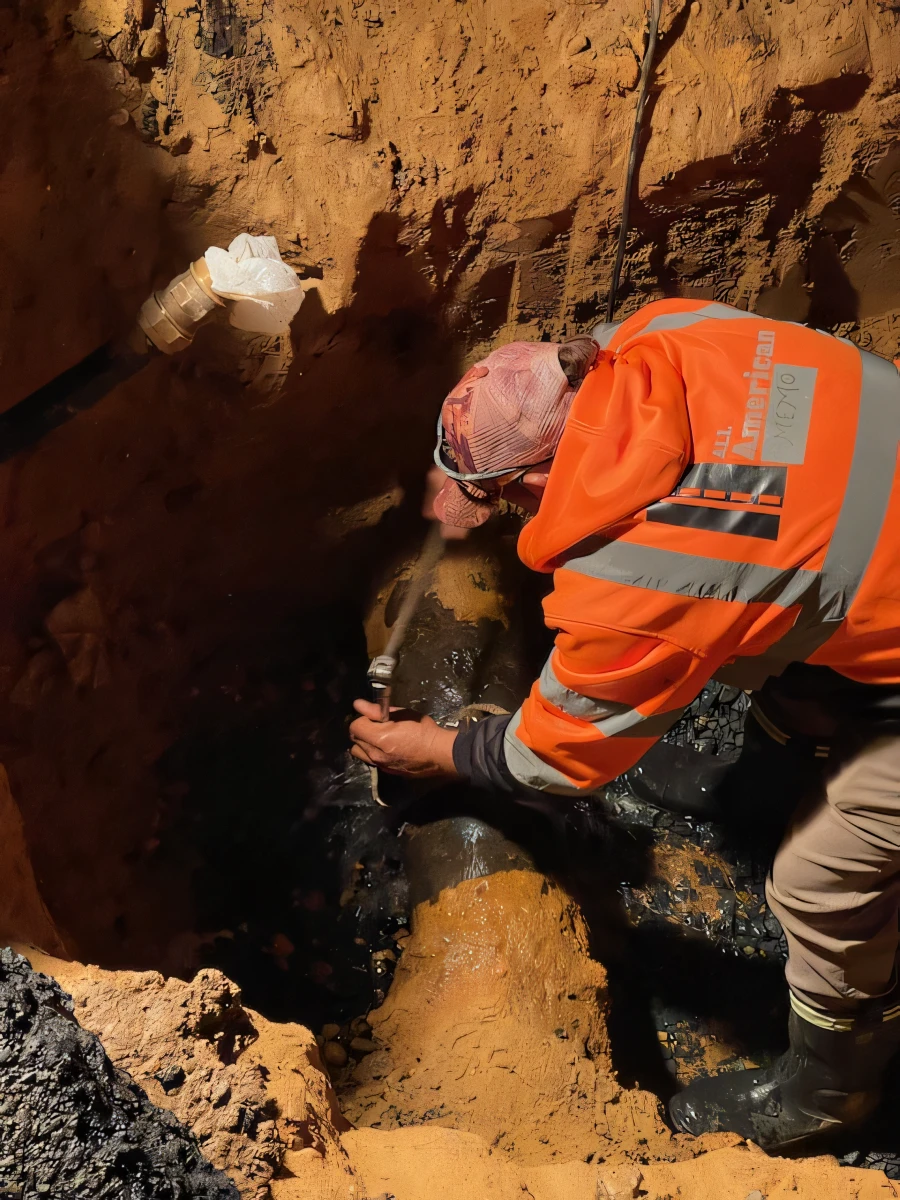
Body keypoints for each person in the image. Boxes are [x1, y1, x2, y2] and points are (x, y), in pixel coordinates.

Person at [348, 297, 900, 1152]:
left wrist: (434, 749)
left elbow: (560, 756)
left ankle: (830, 1097)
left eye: (500, 498)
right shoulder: (663, 334)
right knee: (789, 621)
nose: (502, 511)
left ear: (534, 482)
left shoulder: (641, 574)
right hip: (875, 532)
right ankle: (762, 783)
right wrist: (465, 470)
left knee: (822, 879)